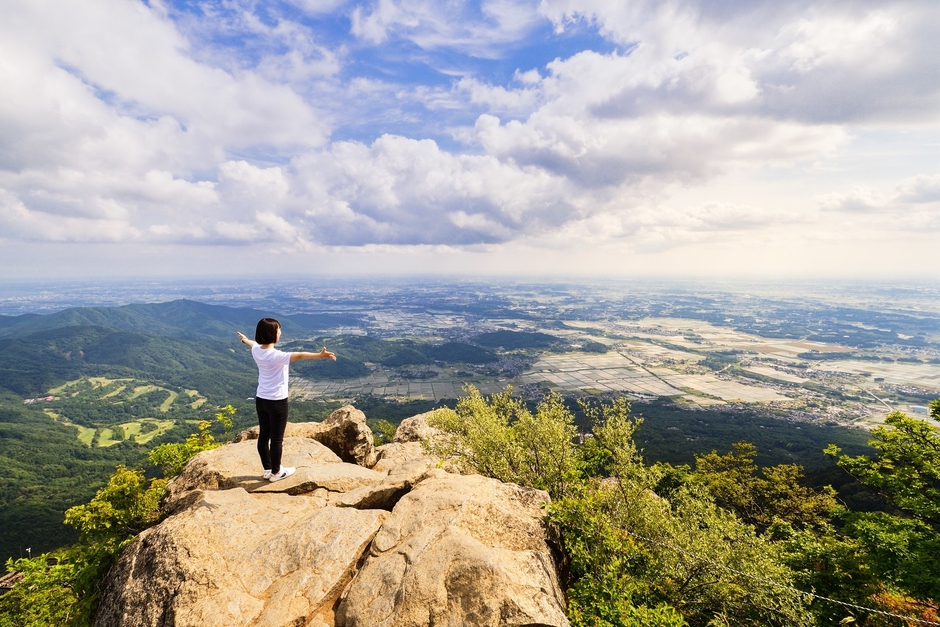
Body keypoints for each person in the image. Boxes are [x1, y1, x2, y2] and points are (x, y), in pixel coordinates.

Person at [237, 318, 336, 482]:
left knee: (264, 436)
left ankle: (268, 470)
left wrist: (244, 339)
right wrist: (320, 355)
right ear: (271, 334)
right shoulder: (277, 356)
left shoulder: (257, 350)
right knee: (276, 439)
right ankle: (276, 473)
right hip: (277, 402)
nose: (280, 332)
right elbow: (301, 355)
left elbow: (252, 343)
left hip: (261, 399)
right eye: (278, 330)